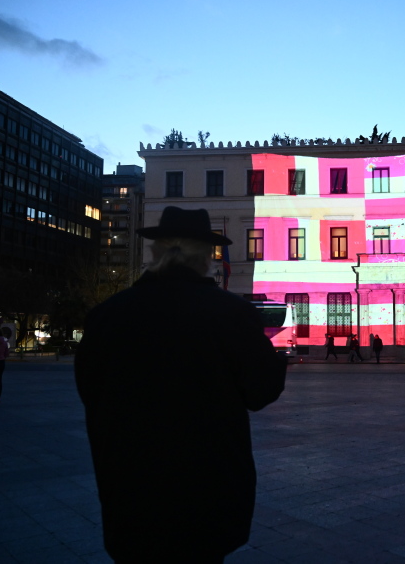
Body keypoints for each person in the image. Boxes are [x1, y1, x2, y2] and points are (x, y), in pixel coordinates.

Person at [74, 207, 287, 563]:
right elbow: (260, 390)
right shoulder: (231, 314)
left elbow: (89, 390)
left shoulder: (109, 314)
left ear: (155, 251)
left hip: (130, 483)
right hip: (207, 486)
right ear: (206, 257)